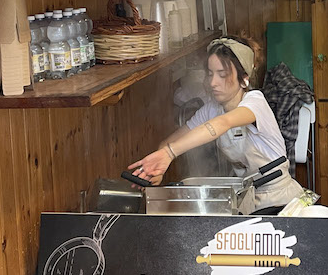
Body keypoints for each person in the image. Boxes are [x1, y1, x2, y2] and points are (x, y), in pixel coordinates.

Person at [128, 36, 305, 214]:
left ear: (244, 78)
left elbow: (223, 123)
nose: (213, 83)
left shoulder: (255, 101)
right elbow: (170, 143)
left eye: (222, 75)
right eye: (211, 74)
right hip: (249, 200)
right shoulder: (211, 109)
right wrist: (157, 167)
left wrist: (169, 152)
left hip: (281, 200)